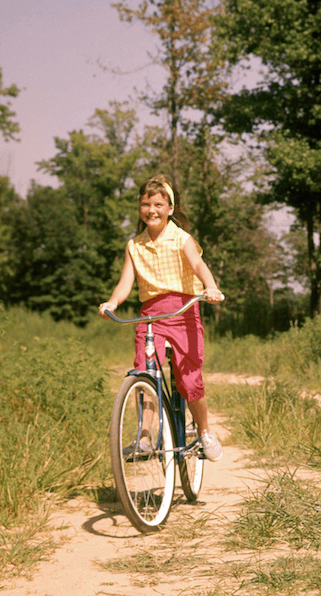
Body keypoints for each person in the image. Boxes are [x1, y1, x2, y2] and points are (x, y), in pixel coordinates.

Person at [99, 174, 225, 461]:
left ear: (170, 208)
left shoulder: (181, 239)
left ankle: (205, 433)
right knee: (144, 372)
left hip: (183, 313)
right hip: (151, 318)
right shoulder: (135, 246)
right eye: (146, 204)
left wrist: (211, 287)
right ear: (140, 208)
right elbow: (125, 283)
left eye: (158, 204)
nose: (151, 210)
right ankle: (144, 436)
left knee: (189, 378)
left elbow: (197, 264)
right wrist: (112, 302)